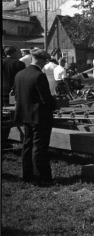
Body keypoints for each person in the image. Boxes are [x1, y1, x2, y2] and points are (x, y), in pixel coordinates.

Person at [13, 48, 58, 184]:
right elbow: (45, 99)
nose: (46, 64)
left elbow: (16, 95)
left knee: (27, 145)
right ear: (42, 60)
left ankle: (27, 175)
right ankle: (41, 178)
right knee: (39, 147)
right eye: (45, 61)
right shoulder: (39, 76)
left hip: (25, 115)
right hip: (39, 116)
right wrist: (54, 103)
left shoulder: (20, 74)